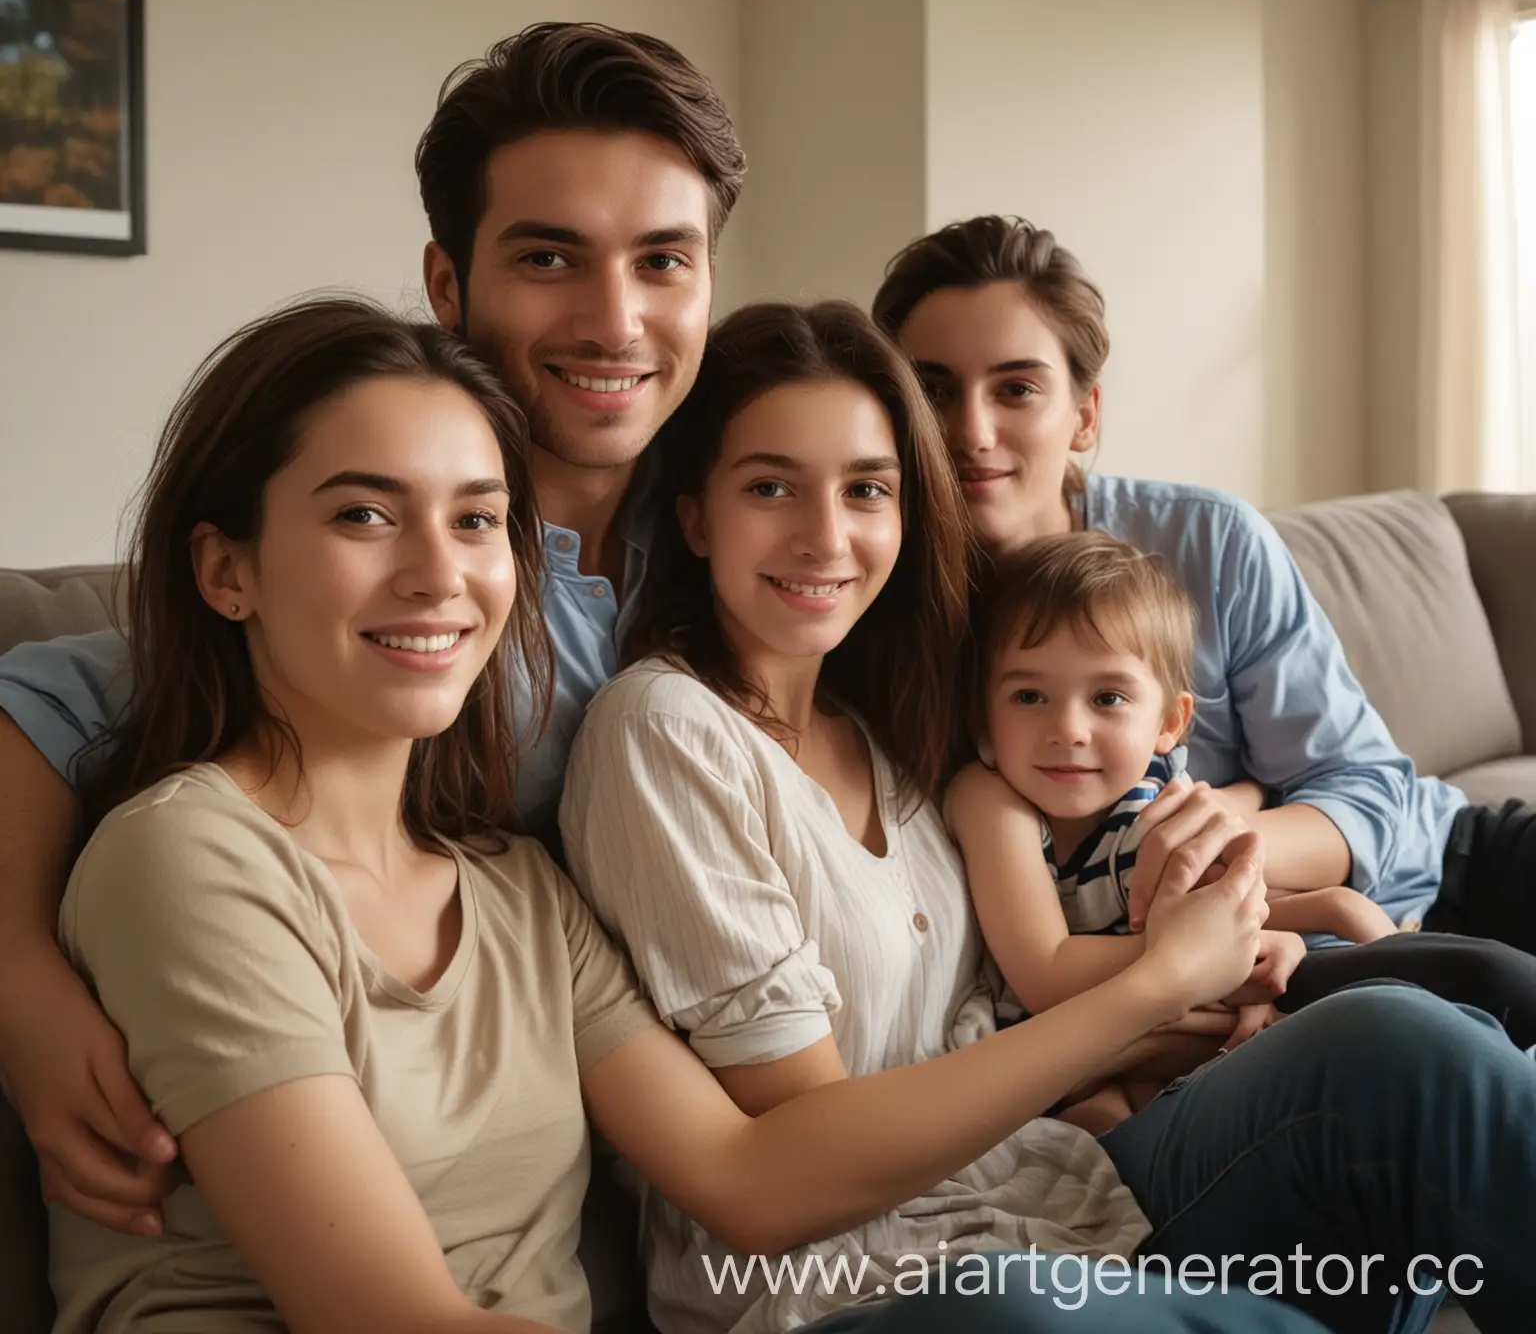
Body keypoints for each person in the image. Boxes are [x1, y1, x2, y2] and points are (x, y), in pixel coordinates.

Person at [50, 296, 1328, 1334]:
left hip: (938, 1232)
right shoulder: (194, 854)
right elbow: (392, 1316)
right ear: (225, 568)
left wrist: (1180, 988)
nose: (440, 572)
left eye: (480, 519)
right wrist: (1148, 988)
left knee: (1394, 1051)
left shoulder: (512, 888)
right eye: (365, 514)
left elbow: (749, 1181)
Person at [560, 299, 1536, 1334]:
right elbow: (801, 1137)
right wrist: (1157, 985)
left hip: (1054, 1194)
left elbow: (1020, 990)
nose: (826, 536)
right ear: (696, 515)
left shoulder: (899, 729)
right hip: (856, 1282)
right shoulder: (666, 729)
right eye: (770, 487)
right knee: (1026, 1314)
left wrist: (1202, 1009)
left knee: (1403, 1045)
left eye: (867, 490)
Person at [0, 21, 744, 1235]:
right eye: (550, 258)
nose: (617, 322)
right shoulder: (378, 608)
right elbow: (48, 692)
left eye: (664, 261)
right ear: (449, 284)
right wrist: (18, 976)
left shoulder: (748, 518)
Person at [872, 213, 1536, 1048]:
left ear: (1083, 414)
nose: (971, 432)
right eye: (934, 389)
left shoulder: (1208, 543)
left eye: (1017, 388)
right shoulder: (878, 624)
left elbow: (1371, 790)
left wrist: (1221, 836)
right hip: (1265, 967)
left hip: (1447, 863)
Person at [949, 531, 1406, 1132]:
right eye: (1030, 696)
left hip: (1178, 1022)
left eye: (1107, 697)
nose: (1068, 729)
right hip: (1062, 1047)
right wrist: (1214, 949)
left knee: (1393, 1017)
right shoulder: (990, 798)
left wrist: (1332, 911)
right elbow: (1047, 974)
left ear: (1169, 723)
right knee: (1102, 1120)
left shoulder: (1154, 806)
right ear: (985, 714)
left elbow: (1239, 869)